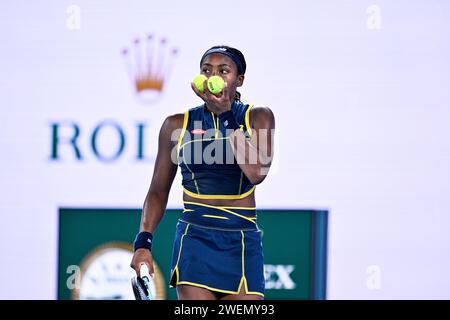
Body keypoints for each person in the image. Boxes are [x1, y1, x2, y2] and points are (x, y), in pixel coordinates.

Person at [130, 45, 275, 300]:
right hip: (195, 239)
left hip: (242, 241)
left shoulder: (259, 117)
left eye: (223, 71)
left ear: (239, 80)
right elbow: (157, 191)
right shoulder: (176, 124)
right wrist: (143, 244)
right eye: (206, 70)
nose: (212, 78)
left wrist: (226, 115)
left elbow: (256, 172)